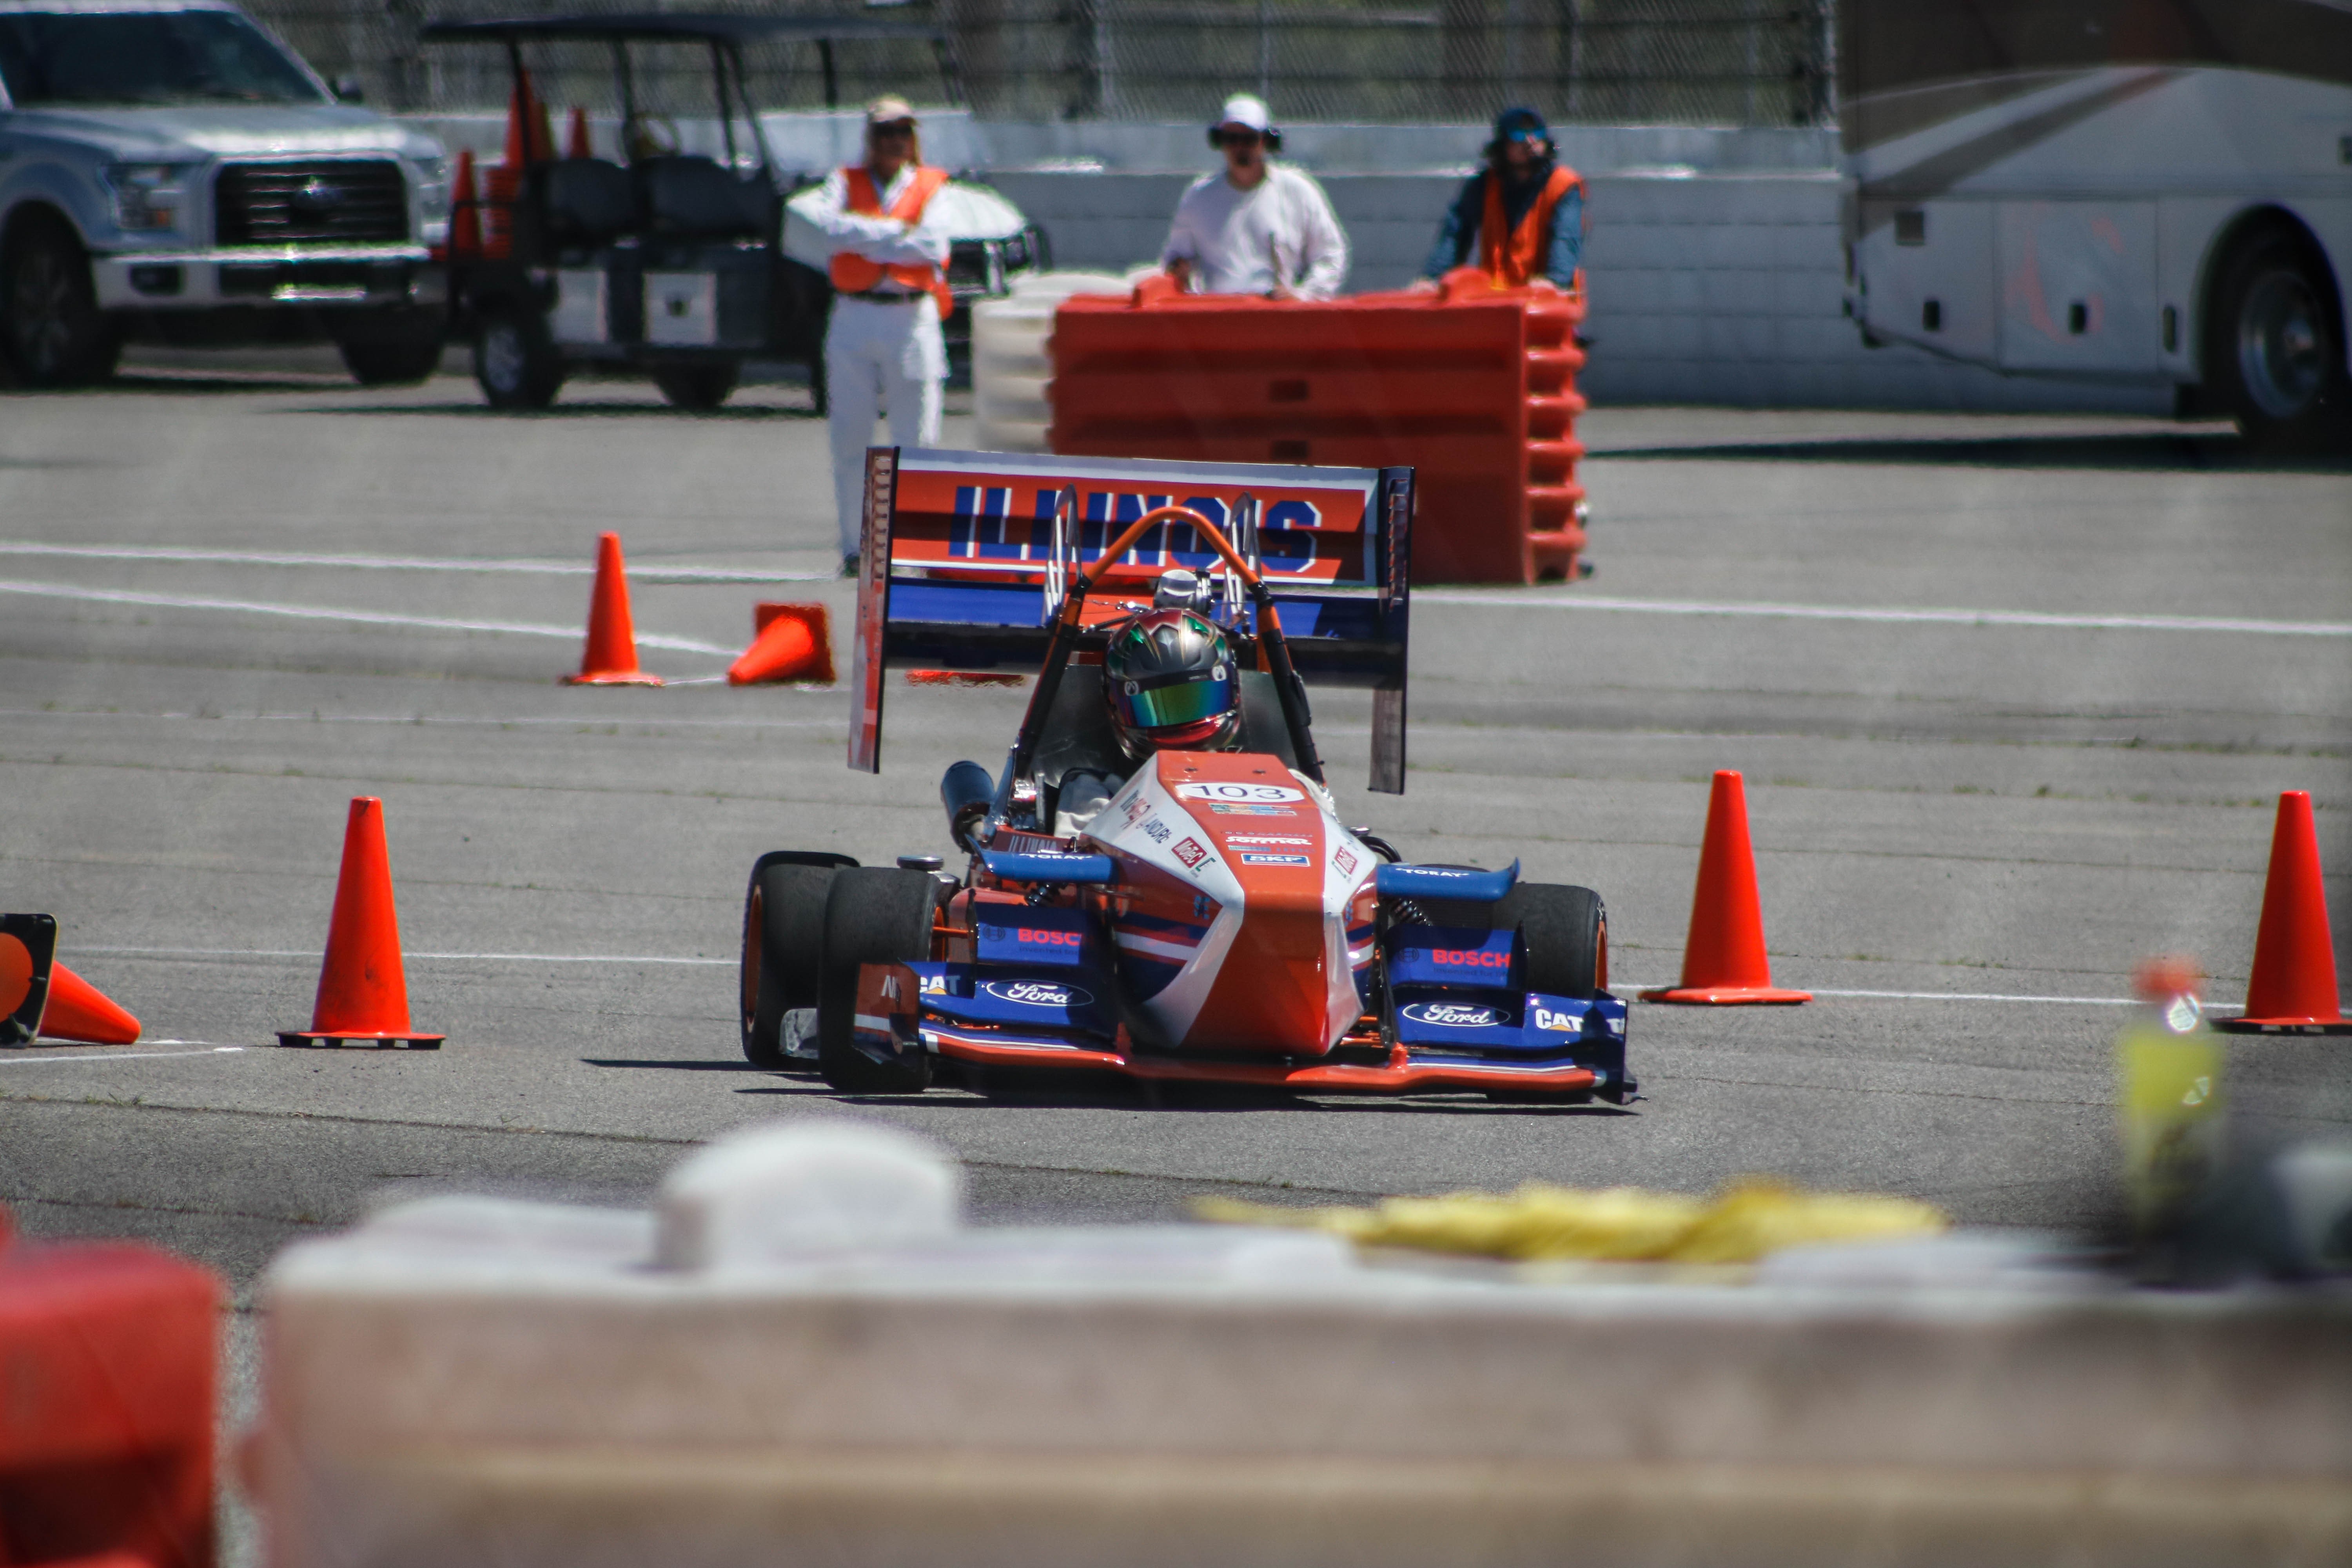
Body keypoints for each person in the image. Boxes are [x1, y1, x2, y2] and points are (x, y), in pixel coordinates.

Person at [804, 96, 955, 573]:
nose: (894, 141)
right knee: (851, 438)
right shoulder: (842, 181)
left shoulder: (933, 185)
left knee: (918, 442)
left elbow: (933, 246)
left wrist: (863, 235)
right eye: (885, 132)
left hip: (911, 319)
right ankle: (856, 548)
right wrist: (896, 236)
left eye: (902, 132)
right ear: (870, 138)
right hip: (854, 316)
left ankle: (916, 549)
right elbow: (826, 230)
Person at [1161, 94, 1348, 301]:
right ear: (1219, 141)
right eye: (1232, 139)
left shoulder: (1298, 192)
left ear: (1267, 141)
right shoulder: (1199, 197)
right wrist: (1182, 275)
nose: (1240, 148)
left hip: (1279, 318)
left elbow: (1330, 255)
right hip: (1219, 319)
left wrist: (1304, 296)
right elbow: (1176, 261)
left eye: (1249, 139)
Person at [1418, 106, 1583, 291]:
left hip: (1547, 302)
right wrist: (1433, 278)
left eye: (1536, 132)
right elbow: (1455, 233)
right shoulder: (1484, 185)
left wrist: (1555, 281)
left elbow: (1566, 237)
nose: (1530, 141)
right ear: (1503, 145)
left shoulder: (1564, 185)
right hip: (1497, 299)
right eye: (1519, 135)